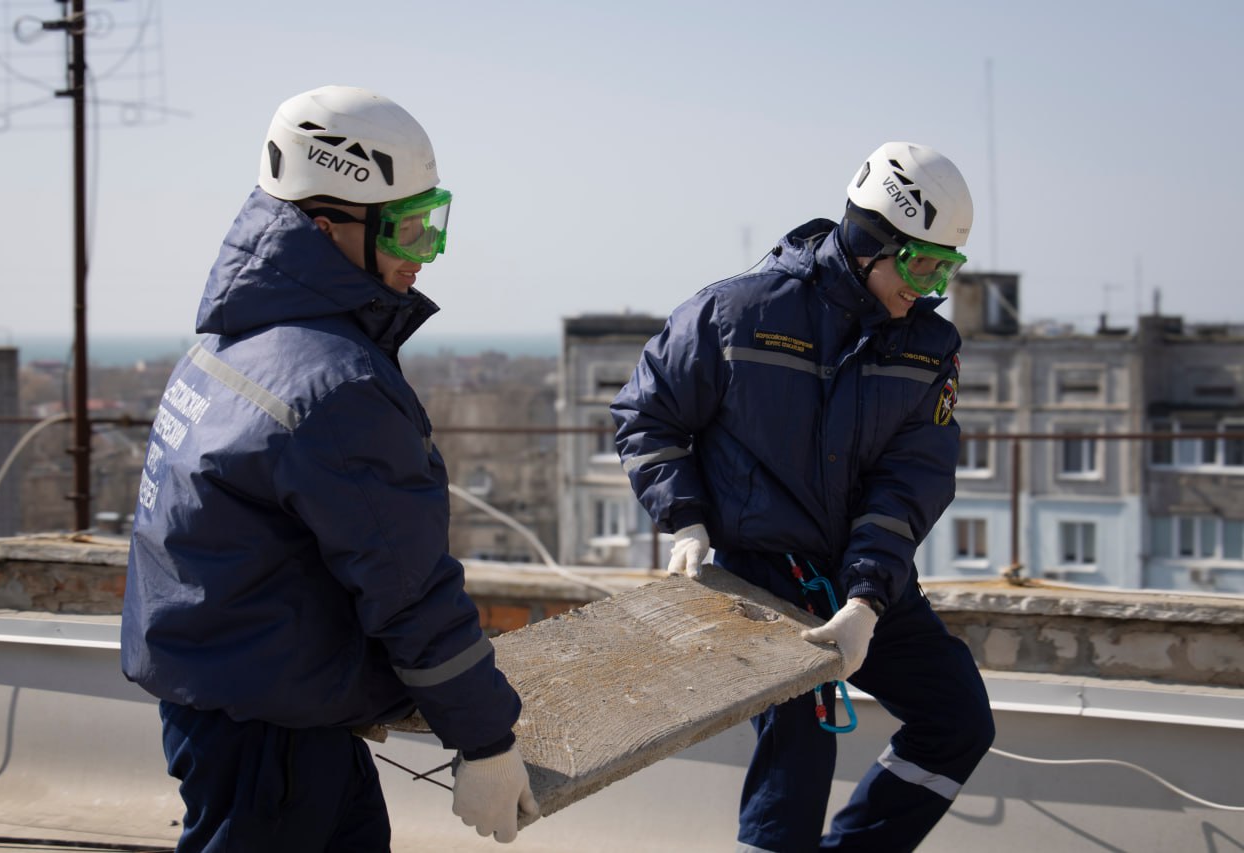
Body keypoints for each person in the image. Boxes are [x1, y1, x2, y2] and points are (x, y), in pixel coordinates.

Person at [121, 85, 538, 851]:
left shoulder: (230, 344)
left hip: (244, 701)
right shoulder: (336, 384)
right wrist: (485, 740)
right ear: (329, 228)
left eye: (432, 223)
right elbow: (407, 586)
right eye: (409, 231)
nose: (426, 256)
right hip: (270, 736)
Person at [611, 141, 995, 852]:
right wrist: (686, 521)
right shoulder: (735, 312)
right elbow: (648, 414)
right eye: (921, 264)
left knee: (959, 718)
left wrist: (867, 599)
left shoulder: (927, 347)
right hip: (760, 574)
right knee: (799, 751)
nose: (931, 286)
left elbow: (910, 480)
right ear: (868, 240)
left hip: (861, 574)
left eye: (947, 268)